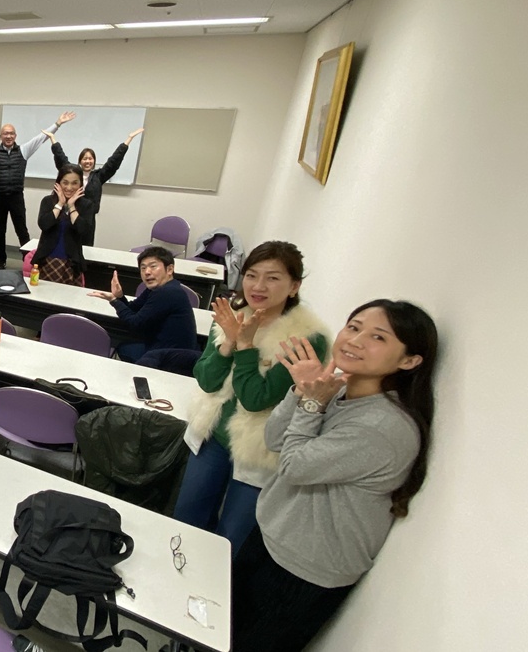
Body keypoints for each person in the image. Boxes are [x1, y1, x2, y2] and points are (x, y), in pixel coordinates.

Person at [232, 300, 438, 652]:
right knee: (223, 630)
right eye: (354, 327)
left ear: (409, 361)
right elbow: (275, 439)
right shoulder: (338, 388)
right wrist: (301, 391)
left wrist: (312, 404)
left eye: (378, 337)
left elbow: (294, 467)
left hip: (306, 568)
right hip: (274, 535)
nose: (355, 340)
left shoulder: (383, 427)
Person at [172, 241, 329, 556]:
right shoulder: (231, 316)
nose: (258, 286)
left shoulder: (306, 339)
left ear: (294, 286)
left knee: (230, 540)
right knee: (186, 518)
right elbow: (206, 378)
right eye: (252, 275)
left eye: (273, 278)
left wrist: (245, 347)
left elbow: (256, 399)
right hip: (213, 433)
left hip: (260, 447)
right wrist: (228, 343)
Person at [0, 103, 73, 270]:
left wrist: (58, 123)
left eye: (11, 133)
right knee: (0, 231)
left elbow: (41, 138)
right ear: (1, 136)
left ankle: (28, 260)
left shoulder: (24, 150)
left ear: (15, 135)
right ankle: (1, 261)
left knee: (22, 231)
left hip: (16, 197)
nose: (9, 136)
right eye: (5, 133)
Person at [88, 247, 197, 362]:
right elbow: (133, 309)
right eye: (143, 268)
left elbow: (135, 323)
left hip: (172, 358)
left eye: (153, 266)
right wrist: (119, 296)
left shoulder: (168, 292)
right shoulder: (157, 288)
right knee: (124, 347)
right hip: (161, 347)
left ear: (169, 269)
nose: (147, 272)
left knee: (124, 348)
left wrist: (114, 301)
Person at [44, 125, 143, 246]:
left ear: (94, 161)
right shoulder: (72, 174)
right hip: (67, 213)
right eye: (84, 159)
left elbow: (113, 162)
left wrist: (128, 140)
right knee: (66, 243)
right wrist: (53, 139)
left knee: (86, 246)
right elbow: (61, 158)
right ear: (80, 161)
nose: (87, 161)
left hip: (88, 218)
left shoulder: (99, 176)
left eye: (90, 159)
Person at [29, 164, 94, 285]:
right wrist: (60, 204)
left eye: (74, 183)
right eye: (65, 183)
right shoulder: (48, 201)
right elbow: (44, 224)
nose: (69, 187)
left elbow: (83, 230)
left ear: (81, 184)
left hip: (71, 263)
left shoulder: (86, 205)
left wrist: (72, 206)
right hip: (46, 261)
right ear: (58, 183)